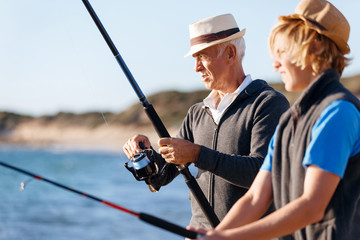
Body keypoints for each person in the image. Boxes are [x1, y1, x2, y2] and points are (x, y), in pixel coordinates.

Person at [189, 0, 360, 239]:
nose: (275, 63)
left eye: (282, 52)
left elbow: (312, 206)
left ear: (317, 46)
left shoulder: (339, 112)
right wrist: (216, 235)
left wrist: (228, 238)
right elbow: (256, 198)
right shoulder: (290, 120)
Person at [123, 14, 289, 229]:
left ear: (230, 53)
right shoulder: (197, 112)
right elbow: (163, 175)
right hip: (199, 233)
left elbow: (262, 174)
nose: (196, 67)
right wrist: (144, 155)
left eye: (202, 56)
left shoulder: (268, 104)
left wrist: (198, 154)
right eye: (195, 59)